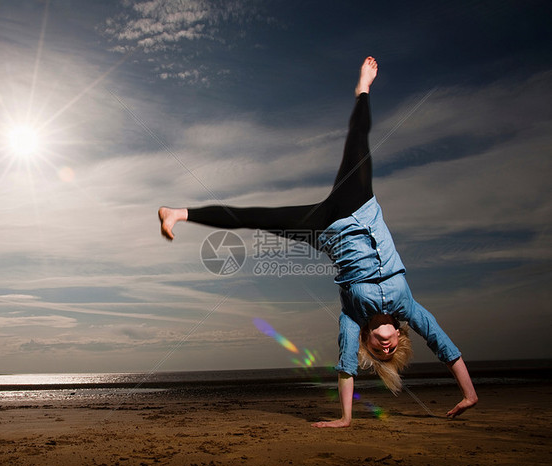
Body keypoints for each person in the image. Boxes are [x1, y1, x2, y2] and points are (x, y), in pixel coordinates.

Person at [158, 57, 478, 427]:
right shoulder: (409, 308)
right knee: (359, 139)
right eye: (391, 350)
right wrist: (469, 394)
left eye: (379, 353)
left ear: (367, 343)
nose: (385, 348)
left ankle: (178, 212)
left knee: (256, 218)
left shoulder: (351, 319)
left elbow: (345, 367)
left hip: (325, 230)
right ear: (400, 339)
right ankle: (363, 89)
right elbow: (444, 345)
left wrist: (344, 418)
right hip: (360, 206)